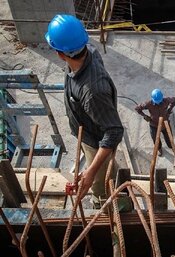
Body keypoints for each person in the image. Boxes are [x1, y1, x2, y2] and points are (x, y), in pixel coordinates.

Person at [45, 14, 124, 208]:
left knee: (100, 187)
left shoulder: (92, 91)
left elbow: (114, 131)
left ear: (60, 53)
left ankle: (109, 206)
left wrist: (90, 172)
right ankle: (107, 173)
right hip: (87, 129)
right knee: (102, 171)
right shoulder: (88, 51)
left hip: (96, 141)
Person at [135, 89, 175, 156]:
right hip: (154, 124)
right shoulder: (148, 103)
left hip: (165, 123)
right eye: (157, 102)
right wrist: (145, 116)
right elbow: (137, 108)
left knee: (169, 137)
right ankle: (159, 148)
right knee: (156, 139)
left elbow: (174, 100)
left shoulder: (166, 100)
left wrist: (169, 110)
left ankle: (171, 147)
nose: (158, 103)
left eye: (159, 101)